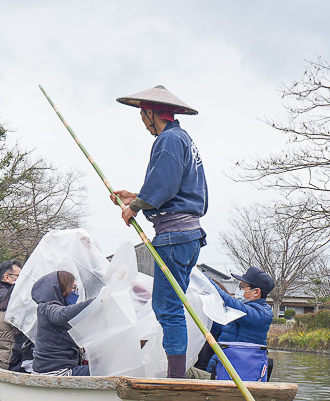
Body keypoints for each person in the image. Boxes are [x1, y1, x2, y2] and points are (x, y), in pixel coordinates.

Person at [111, 85, 207, 379]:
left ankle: (175, 377)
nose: (143, 123)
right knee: (171, 304)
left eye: (143, 116)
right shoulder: (183, 139)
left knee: (167, 307)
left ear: (152, 113)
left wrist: (136, 206)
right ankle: (176, 373)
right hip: (187, 234)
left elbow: (163, 185)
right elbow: (173, 188)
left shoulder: (168, 139)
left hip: (174, 236)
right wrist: (137, 196)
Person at [196, 266, 275, 377]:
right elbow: (219, 327)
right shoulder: (241, 312)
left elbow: (226, 299)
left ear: (256, 292)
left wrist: (198, 274)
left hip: (236, 374)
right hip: (222, 369)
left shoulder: (260, 314)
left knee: (184, 373)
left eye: (242, 286)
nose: (239, 290)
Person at [31, 270, 94, 376]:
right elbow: (61, 315)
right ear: (60, 289)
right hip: (55, 373)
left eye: (76, 289)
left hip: (62, 368)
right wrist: (96, 302)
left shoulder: (54, 309)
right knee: (103, 370)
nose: (75, 293)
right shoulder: (47, 308)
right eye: (72, 288)